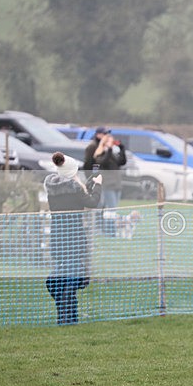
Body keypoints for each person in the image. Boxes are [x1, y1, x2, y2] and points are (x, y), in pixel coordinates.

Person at [44, 152, 102, 325]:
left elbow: (77, 196)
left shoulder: (53, 188)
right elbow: (92, 202)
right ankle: (68, 313)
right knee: (75, 276)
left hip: (57, 239)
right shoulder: (75, 189)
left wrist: (87, 185)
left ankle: (66, 318)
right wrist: (98, 185)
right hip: (74, 238)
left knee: (64, 275)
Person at [84, 126, 127, 235]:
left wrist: (121, 148)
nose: (107, 137)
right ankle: (106, 230)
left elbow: (120, 162)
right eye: (105, 134)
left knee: (110, 208)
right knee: (104, 207)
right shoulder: (95, 149)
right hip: (105, 183)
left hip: (115, 183)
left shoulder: (110, 151)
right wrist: (91, 178)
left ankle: (106, 229)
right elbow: (94, 164)